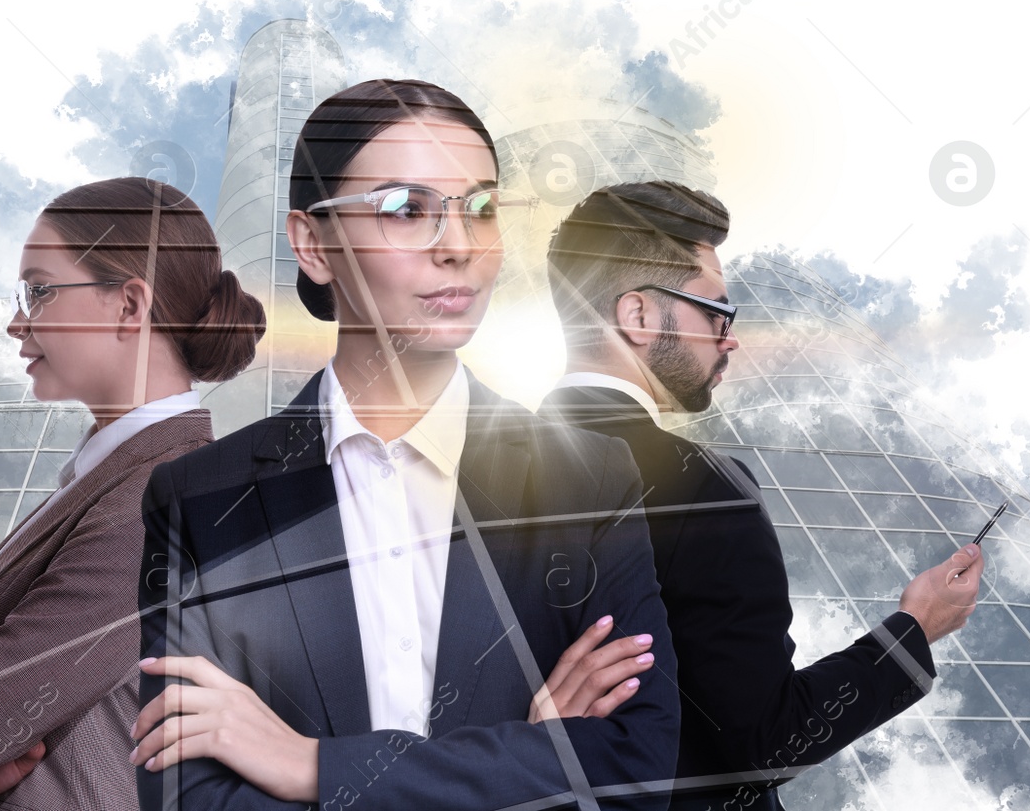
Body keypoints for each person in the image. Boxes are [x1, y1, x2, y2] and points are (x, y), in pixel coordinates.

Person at [129, 79, 680, 811]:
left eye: (481, 208)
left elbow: (634, 766)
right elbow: (187, 793)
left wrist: (312, 767)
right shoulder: (202, 499)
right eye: (406, 209)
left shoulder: (588, 478)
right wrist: (528, 756)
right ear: (313, 243)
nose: (459, 247)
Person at [537, 181, 985, 810]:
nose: (730, 337)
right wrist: (915, 629)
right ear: (637, 316)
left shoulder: (463, 479)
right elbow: (764, 745)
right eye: (714, 310)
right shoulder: (701, 487)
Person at [0, 177, 266, 810]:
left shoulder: (164, 494)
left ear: (129, 305)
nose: (15, 322)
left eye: (39, 290)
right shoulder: (109, 478)